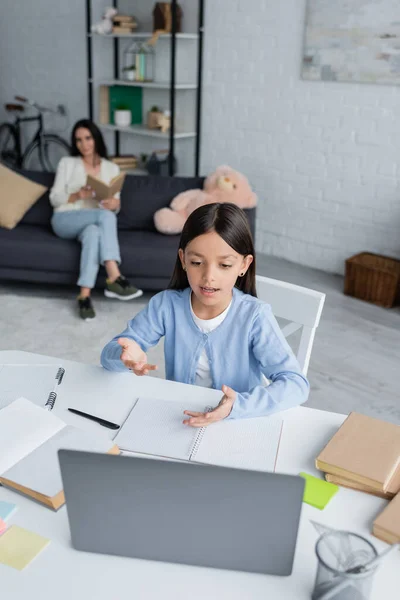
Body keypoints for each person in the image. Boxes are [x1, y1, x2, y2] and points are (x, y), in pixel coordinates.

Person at [101, 203, 309, 426]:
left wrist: (237, 406)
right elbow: (109, 356)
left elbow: (295, 384)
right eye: (197, 263)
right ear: (183, 260)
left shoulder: (255, 316)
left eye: (225, 265)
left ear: (244, 265)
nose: (209, 276)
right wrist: (125, 357)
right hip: (180, 418)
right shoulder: (166, 305)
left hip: (236, 422)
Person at [49, 119, 142, 320]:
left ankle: (84, 296)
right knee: (103, 216)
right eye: (79, 140)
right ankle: (114, 276)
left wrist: (114, 205)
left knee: (94, 232)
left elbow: (114, 203)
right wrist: (77, 195)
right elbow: (54, 198)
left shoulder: (111, 168)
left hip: (92, 221)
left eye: (88, 138)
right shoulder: (67, 163)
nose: (84, 144)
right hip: (64, 219)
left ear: (96, 138)